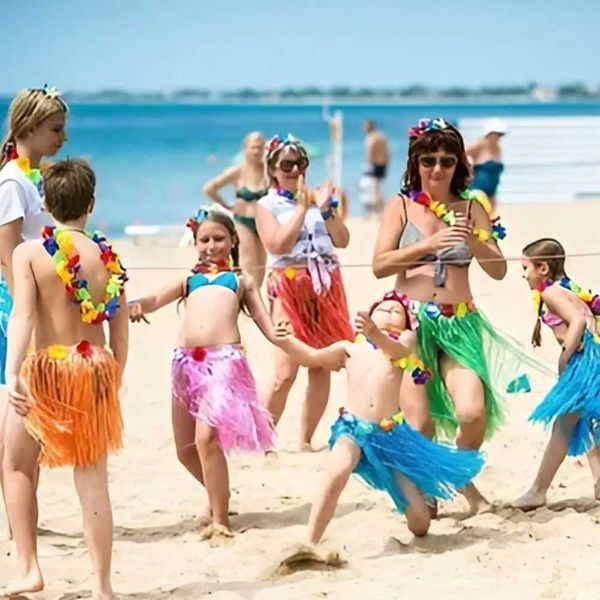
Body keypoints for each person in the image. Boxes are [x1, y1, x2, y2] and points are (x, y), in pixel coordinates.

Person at [128, 208, 345, 538]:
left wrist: (287, 333)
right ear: (195, 243)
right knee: (186, 450)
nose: (211, 245)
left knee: (207, 439)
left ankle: (221, 522)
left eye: (219, 239)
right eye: (205, 240)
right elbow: (156, 298)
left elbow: (268, 327)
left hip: (224, 364)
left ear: (232, 241)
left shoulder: (241, 281)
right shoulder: (189, 280)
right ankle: (219, 496)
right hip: (185, 365)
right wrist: (138, 304)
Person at [372, 117, 550, 513]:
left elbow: (499, 269)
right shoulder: (400, 206)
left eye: (447, 161)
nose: (437, 169)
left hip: (460, 321)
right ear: (415, 161)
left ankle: (451, 478)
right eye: (429, 160)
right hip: (413, 323)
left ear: (459, 165)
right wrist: (431, 243)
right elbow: (380, 264)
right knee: (419, 423)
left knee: (472, 414)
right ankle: (433, 489)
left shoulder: (472, 207)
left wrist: (472, 237)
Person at [2, 159, 128, 598]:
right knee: (92, 478)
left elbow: (22, 314)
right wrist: (119, 372)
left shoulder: (28, 253)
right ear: (91, 203)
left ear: (45, 201)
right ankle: (102, 586)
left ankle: (30, 568)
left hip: (46, 368)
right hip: (93, 365)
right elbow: (121, 324)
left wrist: (13, 369)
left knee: (16, 465)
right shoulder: (106, 257)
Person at [275, 290, 484, 544]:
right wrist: (285, 340)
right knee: (337, 472)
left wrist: (376, 333)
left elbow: (396, 351)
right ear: (370, 314)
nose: (389, 311)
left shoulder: (407, 340)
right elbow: (310, 357)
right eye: (383, 308)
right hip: (351, 429)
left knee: (420, 522)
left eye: (397, 311)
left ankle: (412, 507)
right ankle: (309, 542)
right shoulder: (349, 349)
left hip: (390, 436)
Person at [255, 134, 353, 451]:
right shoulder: (266, 205)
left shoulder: (319, 202)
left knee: (321, 365)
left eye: (300, 164)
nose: (295, 170)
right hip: (287, 284)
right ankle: (263, 437)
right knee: (285, 370)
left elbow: (342, 240)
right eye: (287, 164)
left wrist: (325, 211)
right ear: (273, 169)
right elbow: (277, 244)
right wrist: (302, 207)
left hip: (324, 284)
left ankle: (306, 439)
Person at [0, 85, 68, 538]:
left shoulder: (37, 178)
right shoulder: (11, 182)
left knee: (31, 417)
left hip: (35, 298)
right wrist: (28, 305)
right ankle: (20, 519)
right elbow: (6, 253)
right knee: (18, 407)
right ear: (28, 129)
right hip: (14, 304)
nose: (63, 137)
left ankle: (26, 518)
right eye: (55, 129)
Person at [512, 238, 600, 510]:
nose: (523, 275)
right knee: (586, 424)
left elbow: (577, 323)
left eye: (525, 268)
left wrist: (565, 356)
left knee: (563, 426)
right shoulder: (566, 290)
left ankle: (538, 490)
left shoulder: (551, 293)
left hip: (583, 362)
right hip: (592, 357)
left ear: (543, 268)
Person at [203, 132, 268, 287]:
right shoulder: (237, 171)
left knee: (261, 265)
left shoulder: (268, 171)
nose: (257, 151)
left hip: (264, 220)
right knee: (249, 262)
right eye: (253, 147)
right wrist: (227, 206)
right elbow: (210, 188)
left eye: (260, 147)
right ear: (246, 148)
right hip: (243, 220)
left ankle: (254, 301)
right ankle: (249, 299)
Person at [466, 118, 507, 215]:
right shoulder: (480, 145)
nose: (498, 137)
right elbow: (464, 153)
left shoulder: (497, 148)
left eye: (499, 135)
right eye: (496, 134)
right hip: (479, 188)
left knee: (491, 214)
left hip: (492, 189)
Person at [359, 119, 390, 219]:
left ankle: (375, 212)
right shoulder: (381, 136)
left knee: (372, 189)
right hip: (383, 165)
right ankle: (381, 211)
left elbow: (369, 152)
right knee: (378, 188)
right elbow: (387, 152)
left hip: (374, 165)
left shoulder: (371, 138)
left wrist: (368, 165)